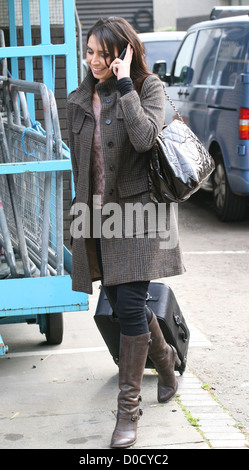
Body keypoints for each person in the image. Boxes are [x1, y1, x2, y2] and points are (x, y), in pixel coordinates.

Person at [67, 16, 185, 449]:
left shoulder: (148, 88)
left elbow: (144, 139)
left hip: (139, 216)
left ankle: (128, 413)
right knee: (121, 303)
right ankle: (166, 360)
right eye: (90, 52)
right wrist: (76, 224)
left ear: (123, 53)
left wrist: (125, 86)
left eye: (103, 53)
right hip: (98, 219)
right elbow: (80, 170)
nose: (93, 60)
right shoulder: (79, 98)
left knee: (131, 306)